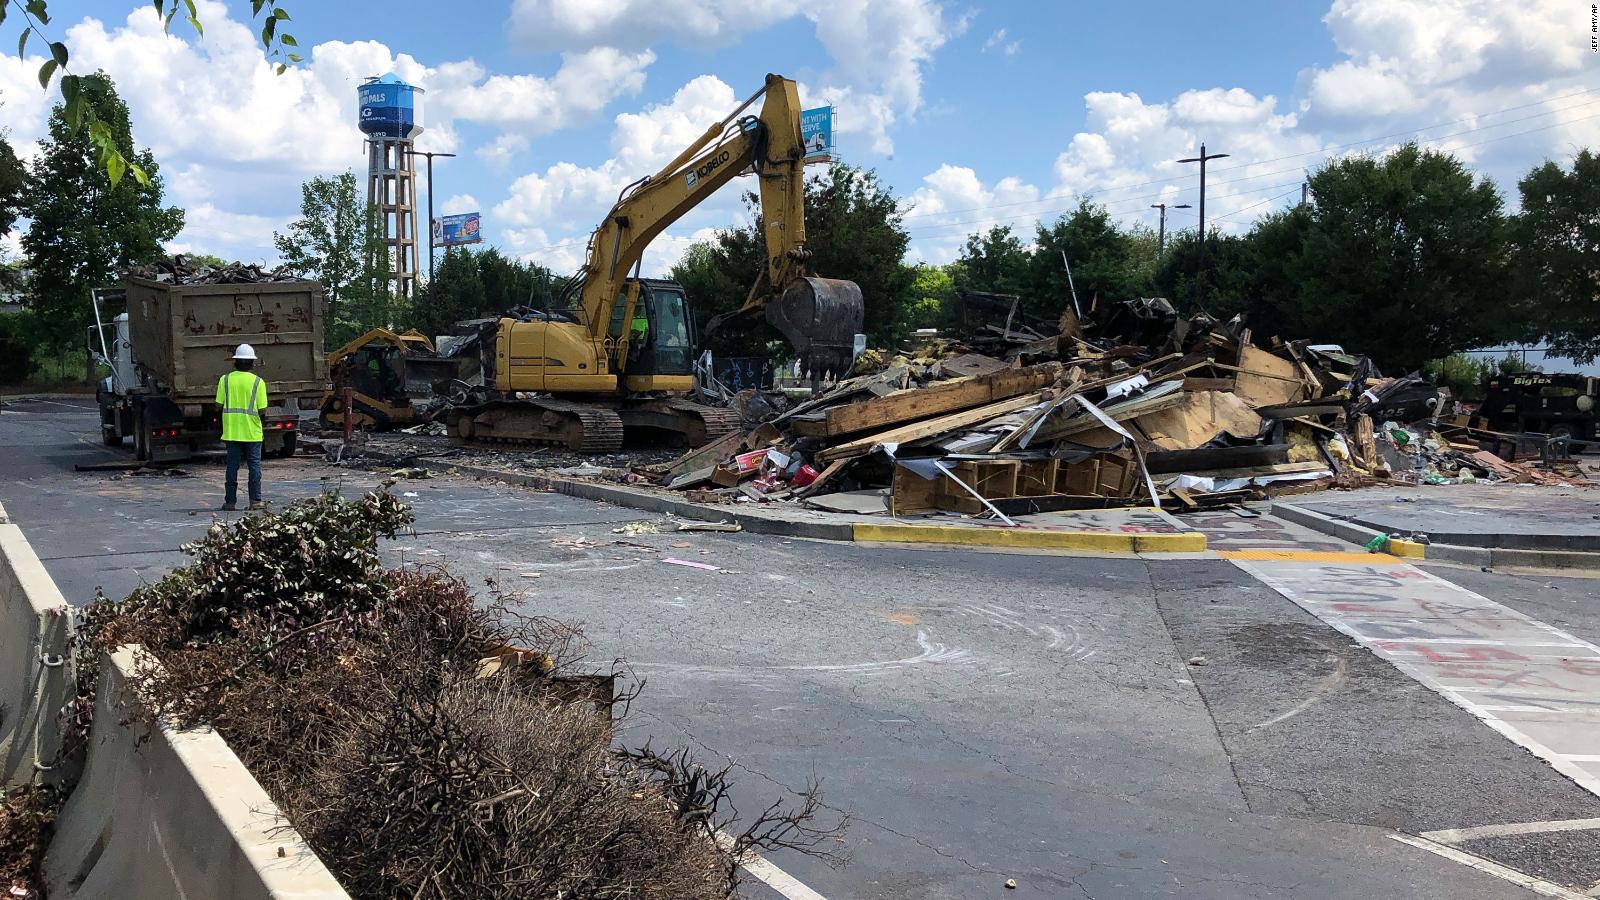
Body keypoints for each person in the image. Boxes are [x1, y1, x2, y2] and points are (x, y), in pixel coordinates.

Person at [217, 343, 269, 511]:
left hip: (231, 432)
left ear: (235, 362)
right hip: (252, 432)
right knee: (254, 467)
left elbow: (218, 405)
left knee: (232, 467)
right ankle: (255, 501)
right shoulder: (258, 382)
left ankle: (230, 502)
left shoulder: (224, 380)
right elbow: (262, 409)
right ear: (252, 363)